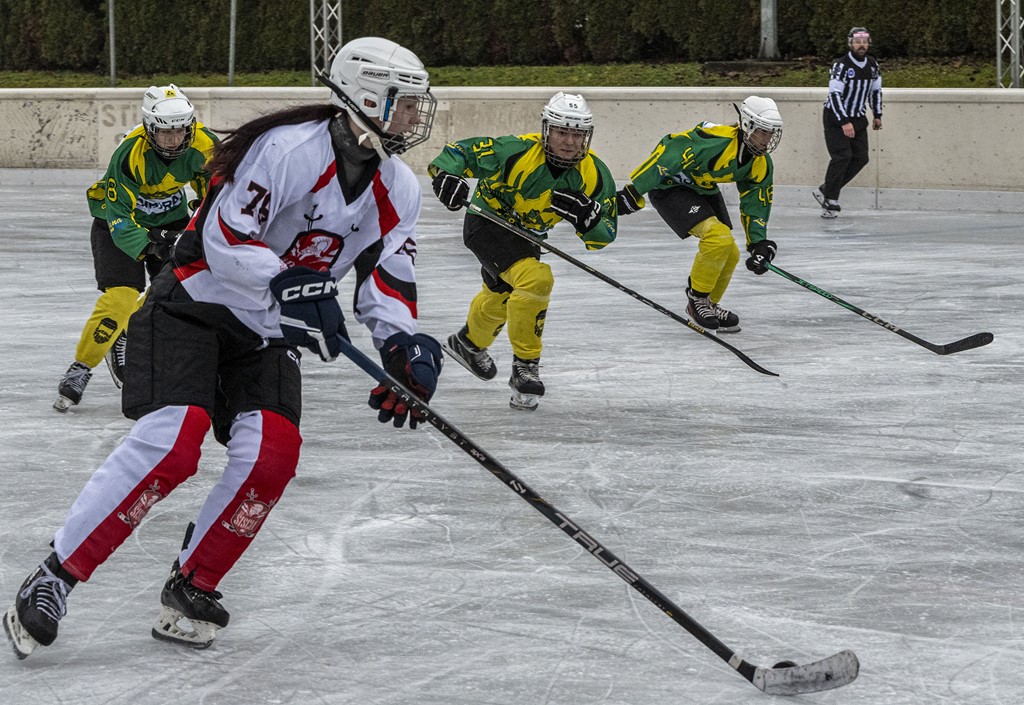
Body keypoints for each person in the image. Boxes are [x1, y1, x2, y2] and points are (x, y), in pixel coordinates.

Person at [3, 36, 443, 659]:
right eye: (404, 104)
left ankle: (193, 582)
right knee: (174, 442)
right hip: (193, 305)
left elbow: (387, 278)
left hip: (265, 332)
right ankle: (55, 575)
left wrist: (404, 347)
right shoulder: (287, 149)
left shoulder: (398, 188)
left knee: (273, 454)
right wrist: (288, 283)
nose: (413, 117)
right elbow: (225, 234)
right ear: (367, 97)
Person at [428, 92, 617, 411]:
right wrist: (445, 175)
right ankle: (525, 367)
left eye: (577, 133)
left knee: (501, 293)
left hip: (528, 237)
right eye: (561, 132)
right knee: (536, 280)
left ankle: (468, 343)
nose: (569, 142)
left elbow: (604, 235)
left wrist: (591, 219)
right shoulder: (514, 151)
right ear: (547, 131)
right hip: (486, 223)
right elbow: (461, 153)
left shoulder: (595, 175)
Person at [54, 84, 218, 411]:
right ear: (148, 129)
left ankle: (154, 349)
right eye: (165, 133)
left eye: (180, 131)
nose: (174, 140)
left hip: (169, 220)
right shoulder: (130, 155)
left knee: (182, 291)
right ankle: (81, 368)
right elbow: (120, 217)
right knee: (123, 296)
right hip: (115, 222)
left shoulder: (205, 145)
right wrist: (150, 247)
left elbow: (214, 193)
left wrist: (202, 226)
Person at [615, 96, 783, 333]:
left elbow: (756, 201)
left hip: (702, 189)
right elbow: (671, 146)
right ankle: (697, 300)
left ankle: (710, 304)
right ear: (747, 125)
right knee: (718, 238)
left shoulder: (761, 163)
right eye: (762, 132)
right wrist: (635, 190)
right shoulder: (715, 141)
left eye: (771, 133)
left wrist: (758, 242)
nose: (767, 139)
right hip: (670, 188)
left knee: (730, 251)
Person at [813, 26, 883, 219]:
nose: (861, 44)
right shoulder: (841, 66)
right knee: (842, 156)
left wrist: (877, 114)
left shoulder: (872, 65)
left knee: (861, 157)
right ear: (850, 43)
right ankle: (830, 200)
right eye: (857, 41)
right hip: (836, 116)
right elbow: (834, 95)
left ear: (869, 43)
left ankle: (826, 190)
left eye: (865, 41)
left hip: (858, 117)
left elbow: (875, 91)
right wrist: (844, 121)